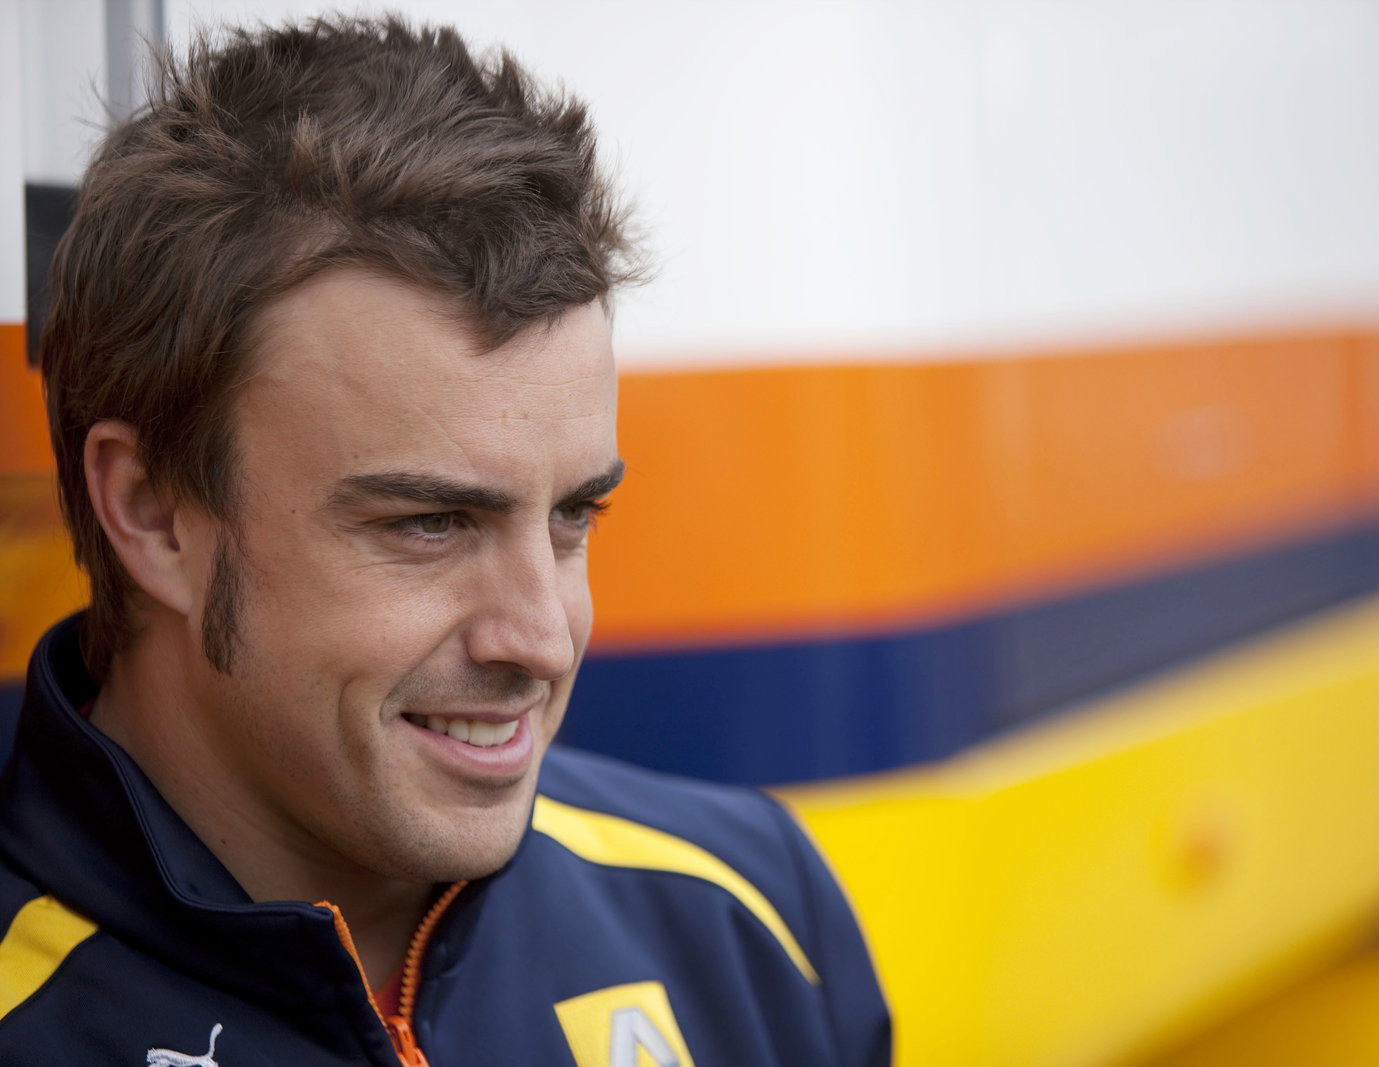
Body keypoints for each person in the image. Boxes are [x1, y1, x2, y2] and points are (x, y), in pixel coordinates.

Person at [0, 14, 890, 1066]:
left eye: (573, 516)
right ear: (150, 511)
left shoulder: (745, 912)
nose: (544, 638)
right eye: (431, 522)